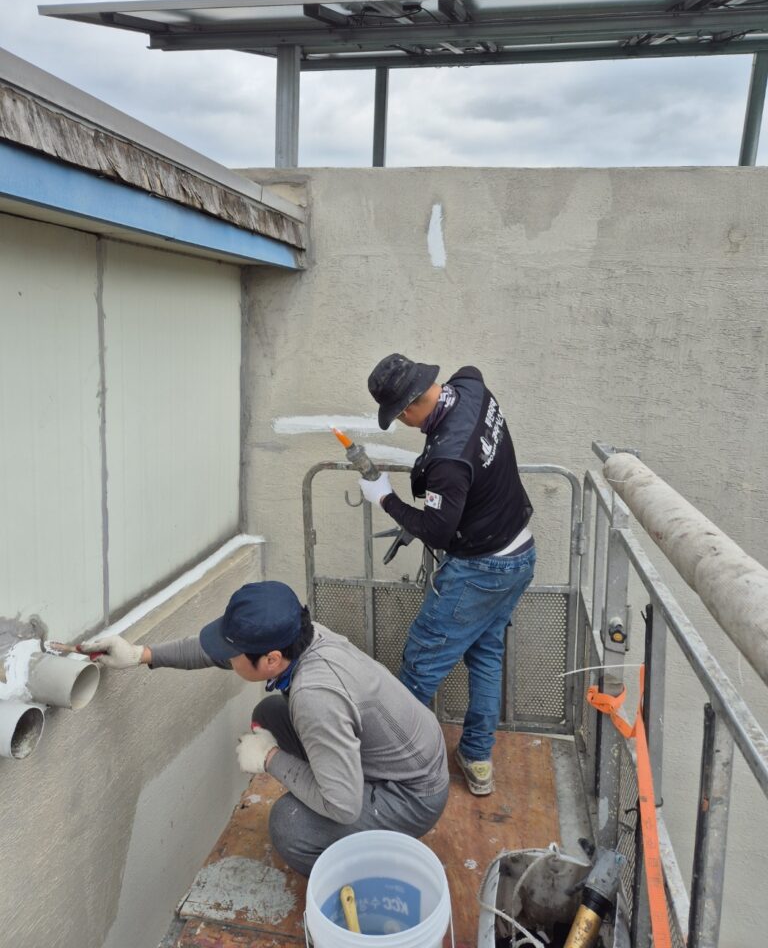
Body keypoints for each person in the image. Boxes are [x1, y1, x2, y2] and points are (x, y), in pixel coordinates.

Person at [80, 581, 449, 876]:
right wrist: (143, 654)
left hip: (409, 796)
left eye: (234, 653)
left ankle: (355, 872)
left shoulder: (316, 697)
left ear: (272, 660)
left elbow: (343, 806)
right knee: (271, 712)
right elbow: (214, 652)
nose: (225, 658)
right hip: (392, 761)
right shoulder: (301, 636)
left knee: (291, 826)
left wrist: (271, 759)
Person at [359, 353, 535, 796]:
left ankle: (391, 766)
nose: (402, 423)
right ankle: (476, 758)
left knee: (420, 666)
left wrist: (385, 499)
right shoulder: (471, 385)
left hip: (481, 568)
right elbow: (469, 381)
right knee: (486, 655)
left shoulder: (449, 460)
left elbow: (438, 531)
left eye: (400, 416)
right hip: (519, 553)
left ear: (410, 406)